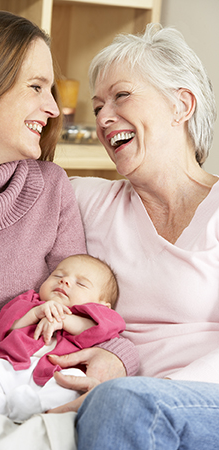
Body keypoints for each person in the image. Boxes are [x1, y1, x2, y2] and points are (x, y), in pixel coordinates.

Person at [0, 10, 139, 450]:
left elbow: (86, 297)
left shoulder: (49, 188)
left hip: (26, 396)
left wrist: (118, 359)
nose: (54, 107)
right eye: (36, 87)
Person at [49, 23, 219, 449]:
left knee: (123, 405)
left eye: (121, 96)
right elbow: (2, 183)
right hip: (122, 407)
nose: (104, 117)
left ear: (181, 105)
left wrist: (141, 389)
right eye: (98, 105)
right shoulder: (86, 200)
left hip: (200, 402)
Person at [0, 254, 125, 422]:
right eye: (58, 275)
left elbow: (107, 328)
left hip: (55, 374)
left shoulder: (95, 317)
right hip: (14, 365)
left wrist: (65, 320)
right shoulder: (29, 301)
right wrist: (35, 313)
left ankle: (36, 408)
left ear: (102, 305)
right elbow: (2, 329)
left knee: (74, 381)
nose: (64, 281)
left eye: (81, 283)